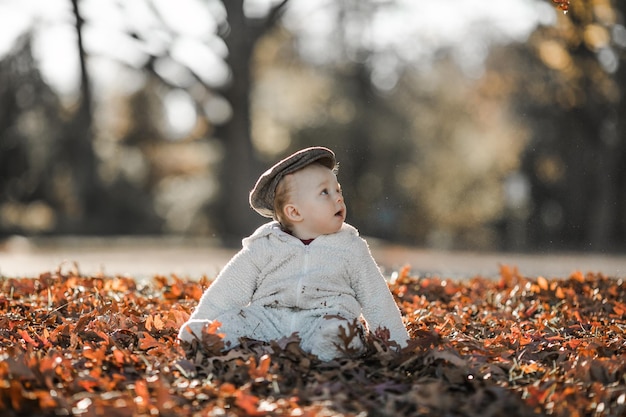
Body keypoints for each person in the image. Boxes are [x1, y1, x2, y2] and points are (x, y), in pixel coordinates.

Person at [178, 147, 409, 360]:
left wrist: (396, 343)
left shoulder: (350, 248)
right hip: (269, 320)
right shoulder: (265, 246)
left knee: (340, 332)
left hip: (325, 318)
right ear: (295, 212)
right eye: (324, 193)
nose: (338, 197)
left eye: (338, 190)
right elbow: (229, 287)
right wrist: (204, 320)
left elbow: (376, 298)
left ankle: (327, 350)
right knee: (234, 321)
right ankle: (207, 335)